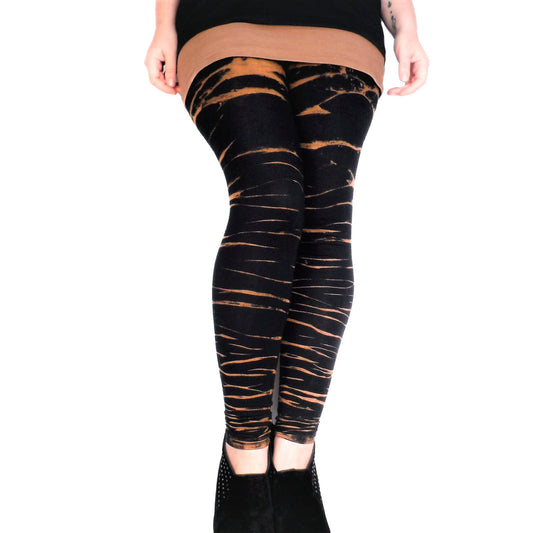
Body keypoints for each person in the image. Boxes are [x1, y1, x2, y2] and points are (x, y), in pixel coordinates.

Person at [145, 1, 429, 531]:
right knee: (270, 196)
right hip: (224, 19)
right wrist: (164, 24)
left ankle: (295, 456)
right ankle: (245, 454)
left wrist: (406, 26)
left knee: (327, 215)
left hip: (342, 26)